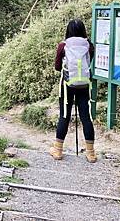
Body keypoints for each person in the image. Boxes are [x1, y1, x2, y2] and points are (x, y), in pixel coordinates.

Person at [49, 19, 97, 163]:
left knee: (64, 115)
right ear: (83, 30)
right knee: (85, 116)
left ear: (68, 31)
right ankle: (91, 153)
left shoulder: (63, 45)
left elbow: (57, 66)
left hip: (67, 85)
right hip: (84, 85)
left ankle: (57, 150)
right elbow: (89, 62)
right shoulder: (89, 45)